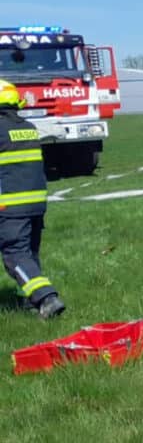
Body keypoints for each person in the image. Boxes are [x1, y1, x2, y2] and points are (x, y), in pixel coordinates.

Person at [0, 80, 64, 319]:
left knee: (15, 255)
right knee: (29, 253)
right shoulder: (28, 126)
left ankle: (46, 298)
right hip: (36, 203)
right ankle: (28, 301)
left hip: (9, 204)